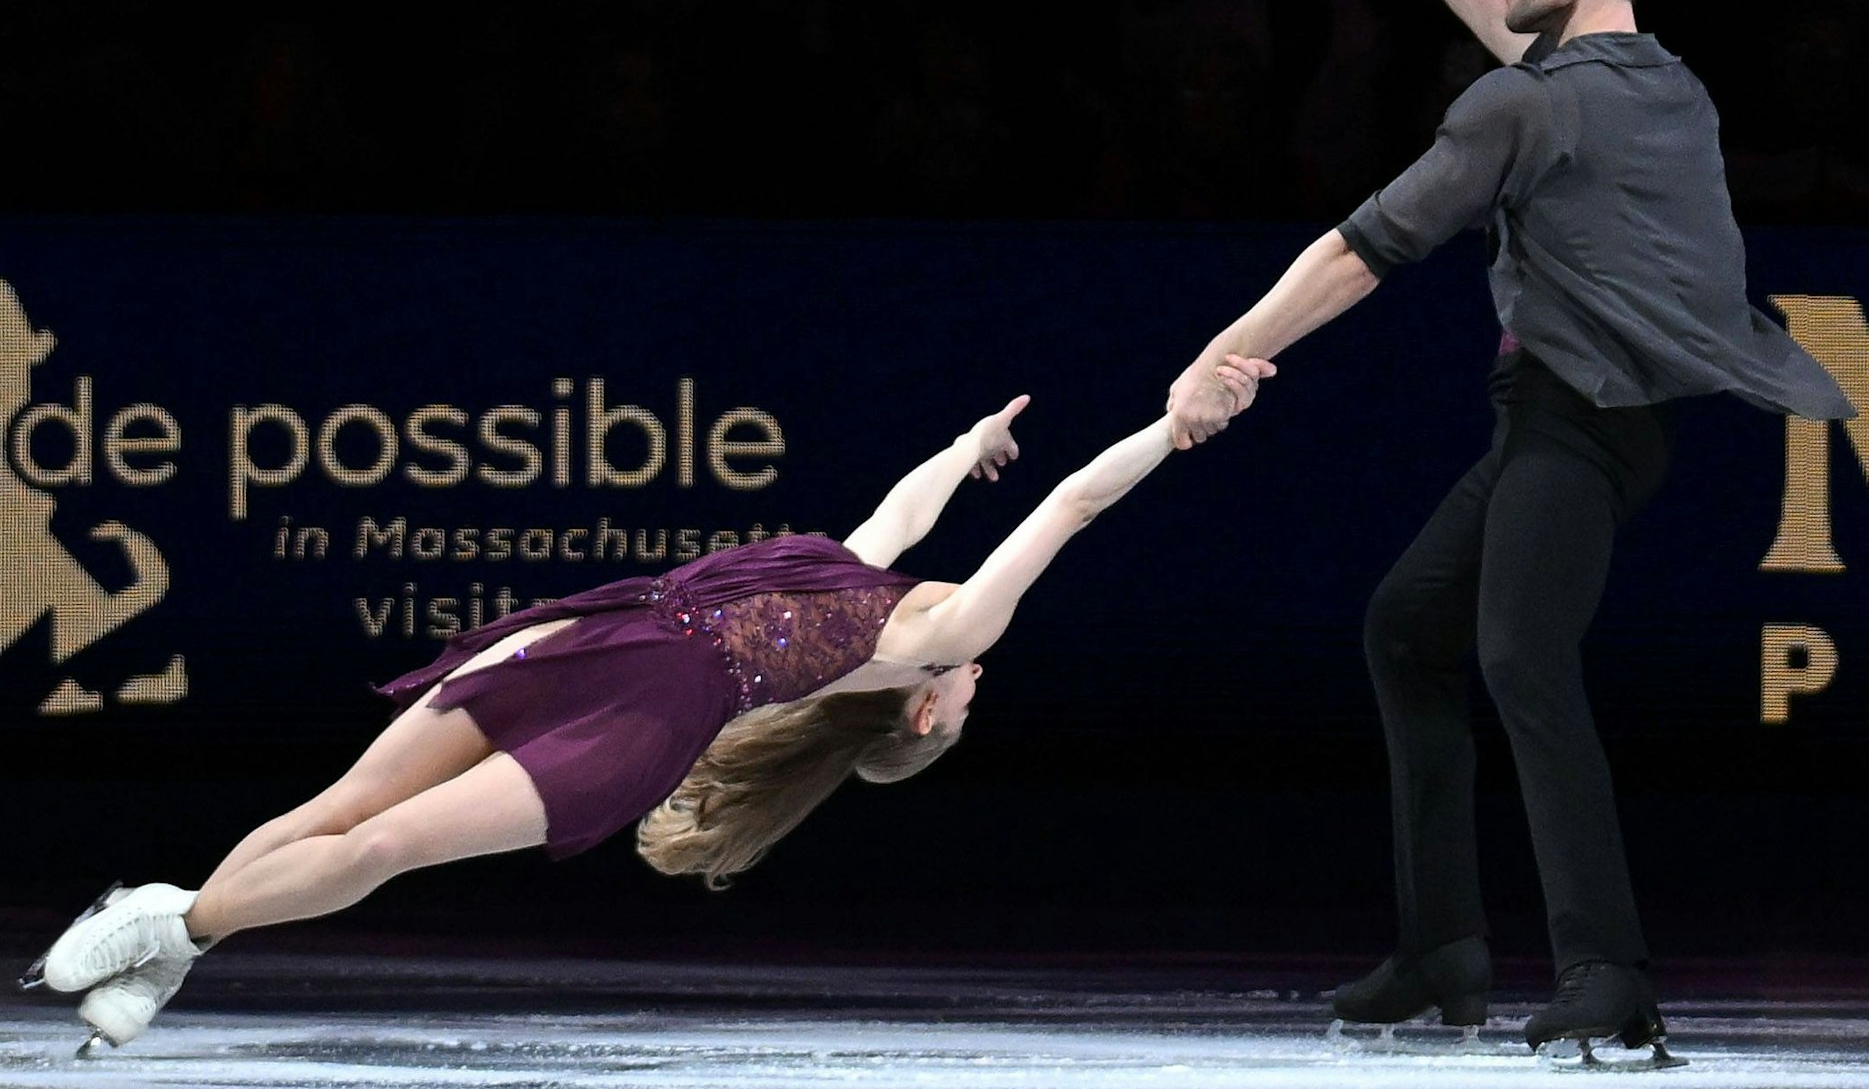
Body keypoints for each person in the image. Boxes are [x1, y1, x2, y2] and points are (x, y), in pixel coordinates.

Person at [28, 370, 1270, 1051]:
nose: (982, 670)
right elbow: (904, 507)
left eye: (971, 691)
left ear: (925, 713)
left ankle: (167, 919)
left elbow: (1068, 507)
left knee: (381, 844)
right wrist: (965, 441)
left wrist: (1169, 427)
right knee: (339, 801)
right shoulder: (863, 574)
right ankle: (182, 946)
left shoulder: (932, 636)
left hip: (645, 714)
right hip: (599, 630)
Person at [1167, 0, 1851, 1055]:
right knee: (1406, 626)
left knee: (1519, 654)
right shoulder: (1665, 87)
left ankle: (1609, 967)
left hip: (1569, 414)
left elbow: (1358, 249)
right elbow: (1535, 70)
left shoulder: (1519, 106)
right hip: (1601, 424)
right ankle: (1444, 948)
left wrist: (1218, 355)